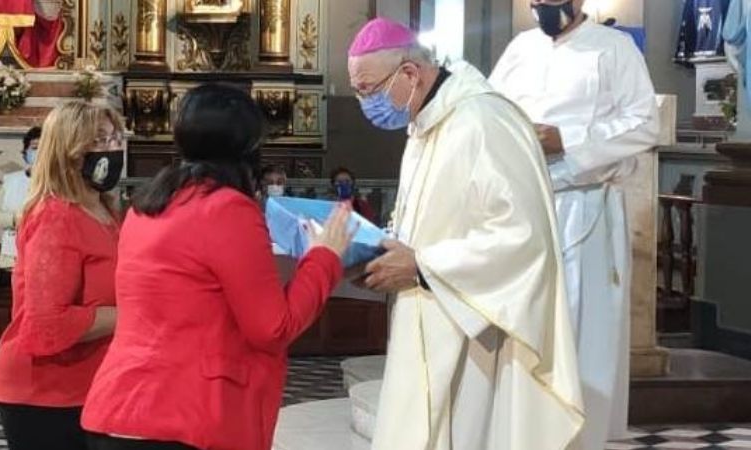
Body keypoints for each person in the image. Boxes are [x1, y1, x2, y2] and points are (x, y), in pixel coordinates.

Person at [348, 18, 583, 450]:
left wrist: (422, 266)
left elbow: (524, 240)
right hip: (429, 317)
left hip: (477, 335)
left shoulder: (484, 120)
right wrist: (378, 252)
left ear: (409, 74)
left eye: (368, 90)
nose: (366, 103)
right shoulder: (425, 125)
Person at [81, 84, 354, 450]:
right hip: (185, 416)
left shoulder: (147, 205)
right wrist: (325, 258)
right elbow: (272, 328)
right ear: (248, 146)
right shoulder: (227, 209)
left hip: (119, 408)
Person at [489, 2, 660, 448]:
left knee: (583, 333)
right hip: (524, 207)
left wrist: (568, 139)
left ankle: (580, 438)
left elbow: (645, 123)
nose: (541, 5)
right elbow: (488, 112)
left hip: (585, 208)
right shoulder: (520, 48)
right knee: (525, 329)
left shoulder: (614, 48)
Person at [0, 101, 126, 450]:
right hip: (46, 392)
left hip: (94, 384)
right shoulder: (55, 217)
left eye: (114, 139)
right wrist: (134, 316)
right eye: (98, 141)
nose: (111, 149)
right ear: (68, 150)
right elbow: (47, 323)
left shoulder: (106, 210)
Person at [0, 126, 40, 232]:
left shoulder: (58, 183)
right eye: (34, 148)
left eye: (44, 149)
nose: (39, 153)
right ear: (25, 152)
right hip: (12, 243)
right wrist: (14, 219)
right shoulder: (11, 180)